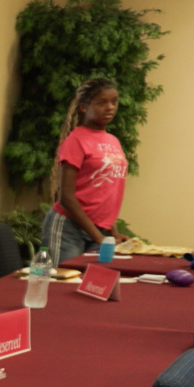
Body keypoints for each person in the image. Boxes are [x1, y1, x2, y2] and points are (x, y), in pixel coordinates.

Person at [42, 76, 126, 261]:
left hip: (99, 231)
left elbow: (108, 193)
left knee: (91, 286)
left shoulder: (113, 141)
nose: (110, 107)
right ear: (83, 107)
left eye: (114, 101)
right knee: (62, 282)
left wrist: (114, 233)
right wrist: (99, 237)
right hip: (68, 228)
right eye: (101, 102)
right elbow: (66, 197)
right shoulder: (76, 140)